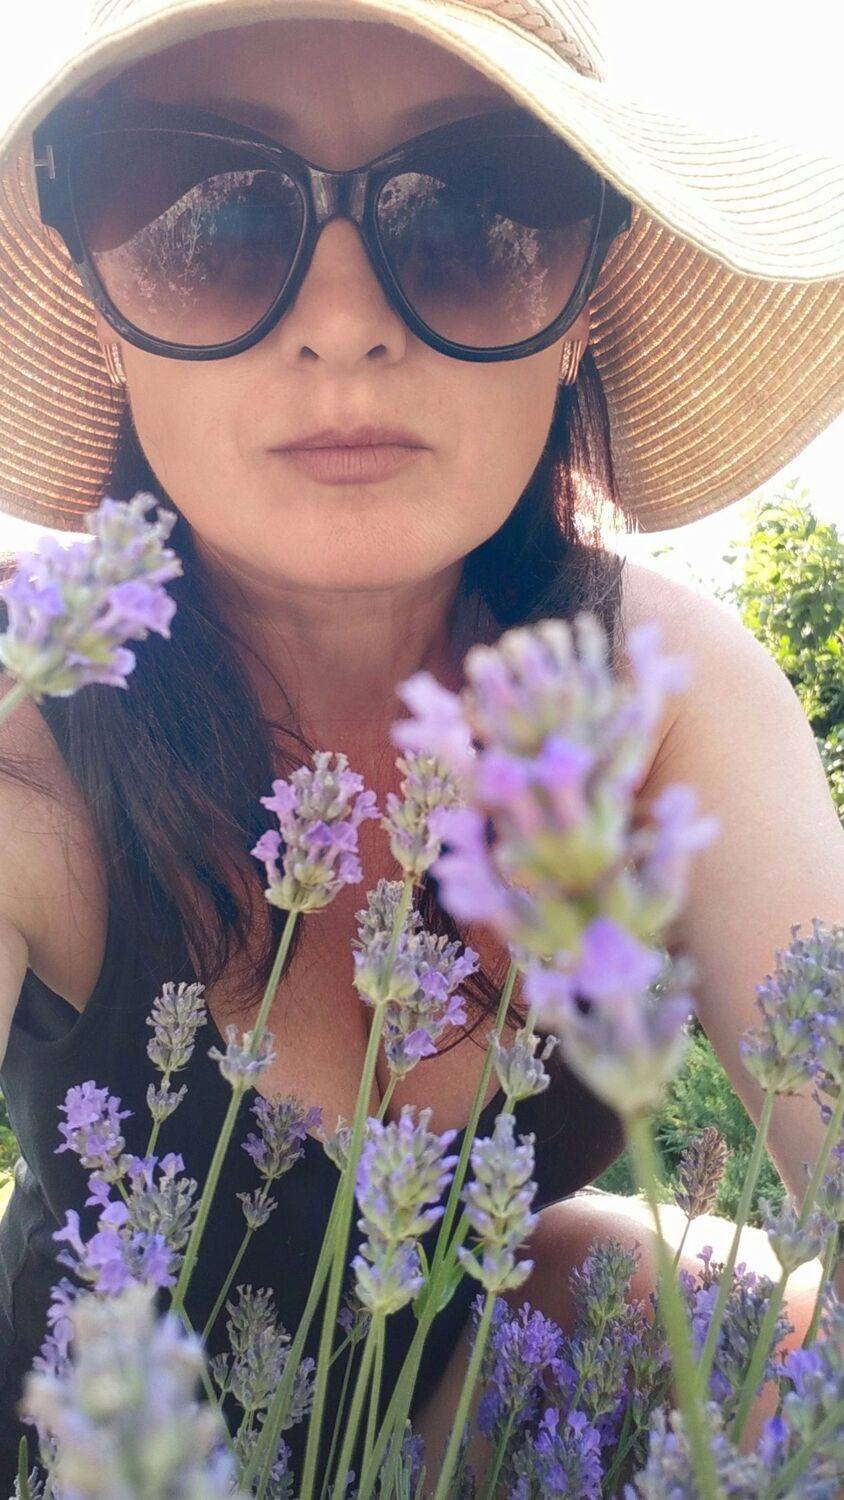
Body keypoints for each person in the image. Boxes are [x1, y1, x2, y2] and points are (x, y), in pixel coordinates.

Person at [0, 1, 842, 1489]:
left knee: (738, 1310)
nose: (346, 320)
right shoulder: (32, 722)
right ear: (103, 310)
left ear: (580, 306)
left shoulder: (663, 695)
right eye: (209, 213)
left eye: (471, 211)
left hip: (454, 1411)